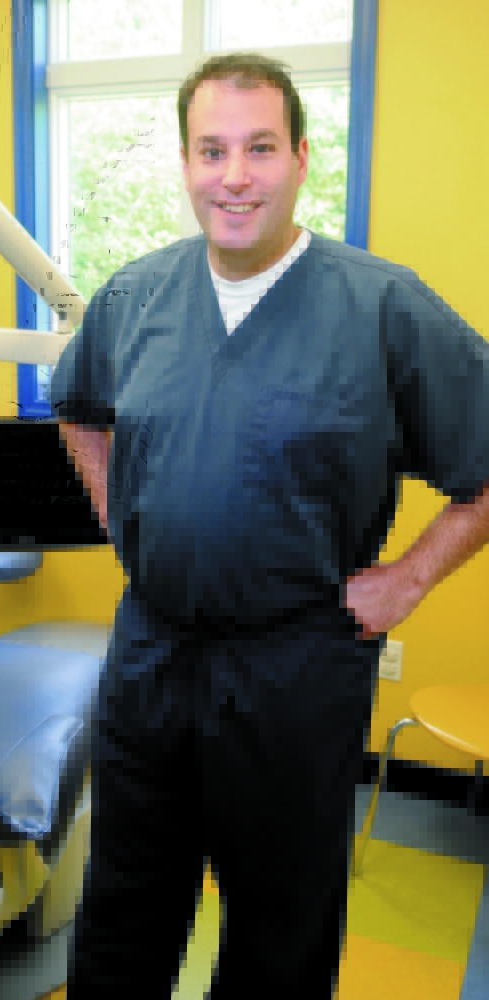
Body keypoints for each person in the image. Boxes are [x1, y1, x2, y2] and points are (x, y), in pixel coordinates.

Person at [47, 51, 489, 998]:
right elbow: (78, 409)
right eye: (212, 151)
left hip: (295, 667)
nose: (234, 176)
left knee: (279, 929)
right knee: (123, 908)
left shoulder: (381, 306)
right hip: (151, 657)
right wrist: (121, 512)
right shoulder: (137, 296)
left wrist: (409, 578)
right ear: (185, 162)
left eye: (259, 148)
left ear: (300, 158)